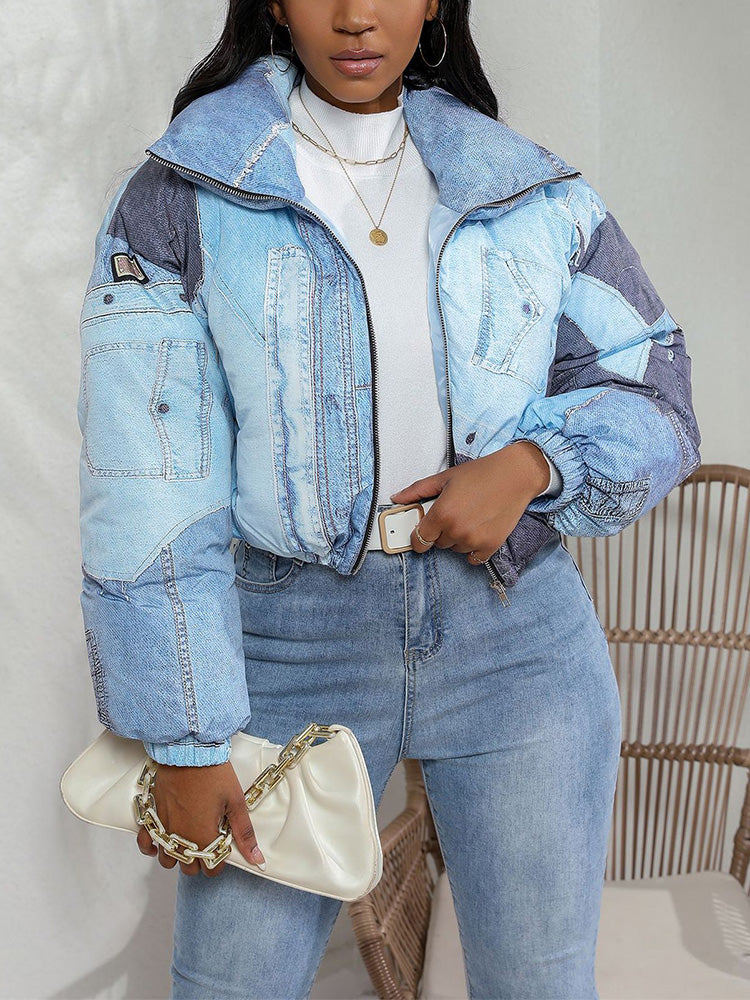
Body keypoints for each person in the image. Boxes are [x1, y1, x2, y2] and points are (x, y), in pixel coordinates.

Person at [75, 1, 702, 997]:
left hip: (517, 640)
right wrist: (186, 737)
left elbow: (653, 386)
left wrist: (533, 464)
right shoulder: (183, 193)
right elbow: (146, 483)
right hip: (287, 646)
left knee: (540, 984)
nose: (357, 15)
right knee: (231, 984)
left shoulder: (526, 187)